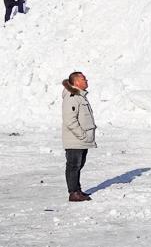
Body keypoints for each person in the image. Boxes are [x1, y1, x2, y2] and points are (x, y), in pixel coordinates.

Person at [61, 71, 97, 202]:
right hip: (75, 139)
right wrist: (82, 135)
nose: (87, 80)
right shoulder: (72, 97)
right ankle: (73, 193)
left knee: (78, 165)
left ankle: (77, 190)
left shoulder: (80, 96)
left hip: (81, 140)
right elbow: (69, 120)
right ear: (76, 82)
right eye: (83, 79)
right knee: (73, 166)